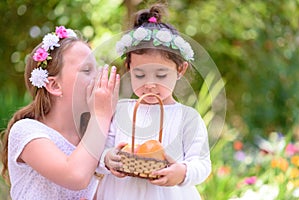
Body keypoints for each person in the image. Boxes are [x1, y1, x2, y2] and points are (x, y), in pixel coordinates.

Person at [96, 4, 211, 200]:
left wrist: (182, 172)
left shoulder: (187, 118)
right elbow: (100, 149)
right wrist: (107, 158)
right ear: (129, 68)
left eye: (160, 75)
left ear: (180, 70)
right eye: (140, 75)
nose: (150, 84)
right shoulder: (120, 111)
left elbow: (202, 163)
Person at [0, 26, 120, 199]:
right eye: (86, 70)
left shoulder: (94, 135)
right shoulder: (26, 131)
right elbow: (76, 175)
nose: (98, 77)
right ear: (55, 86)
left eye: (97, 69)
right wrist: (101, 115)